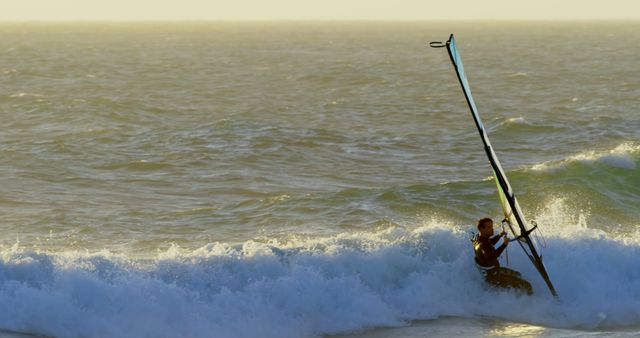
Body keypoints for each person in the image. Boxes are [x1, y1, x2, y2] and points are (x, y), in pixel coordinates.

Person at [472, 217, 533, 295]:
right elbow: (491, 257)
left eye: (492, 226)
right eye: (489, 227)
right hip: (495, 278)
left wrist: (500, 235)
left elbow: (489, 243)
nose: (492, 229)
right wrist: (504, 245)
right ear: (481, 229)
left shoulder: (478, 238)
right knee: (527, 286)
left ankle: (518, 294)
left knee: (518, 275)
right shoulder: (483, 245)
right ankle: (529, 303)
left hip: (493, 273)